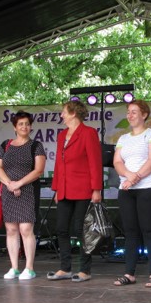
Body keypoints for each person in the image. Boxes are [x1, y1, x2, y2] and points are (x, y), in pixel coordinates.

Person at [48, 101, 103, 282]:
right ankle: (65, 268)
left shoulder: (88, 133)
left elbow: (95, 163)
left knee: (81, 230)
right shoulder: (62, 135)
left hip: (83, 189)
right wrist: (56, 188)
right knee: (61, 228)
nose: (61, 115)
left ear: (73, 113)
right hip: (64, 188)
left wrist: (96, 189)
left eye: (64, 112)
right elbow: (58, 163)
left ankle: (85, 270)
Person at [112, 100, 151, 288]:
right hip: (126, 190)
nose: (130, 115)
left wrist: (135, 177)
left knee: (149, 231)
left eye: (134, 112)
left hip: (148, 189)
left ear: (144, 115)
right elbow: (117, 162)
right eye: (128, 112)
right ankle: (129, 273)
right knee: (130, 232)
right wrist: (128, 175)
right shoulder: (123, 138)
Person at [0, 111, 46, 280]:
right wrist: (10, 184)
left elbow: (38, 171)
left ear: (31, 127)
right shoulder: (5, 145)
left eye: (27, 124)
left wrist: (19, 184)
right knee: (11, 229)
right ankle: (14, 267)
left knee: (26, 229)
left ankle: (29, 268)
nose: (24, 127)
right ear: (14, 127)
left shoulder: (36, 146)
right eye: (21, 124)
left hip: (28, 191)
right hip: (8, 191)